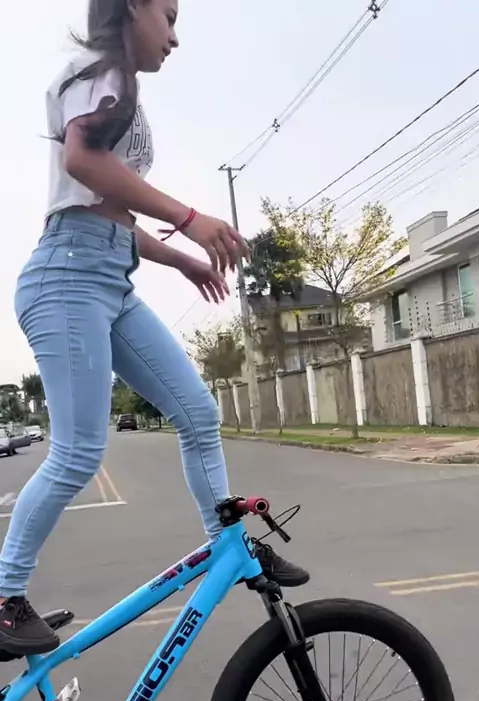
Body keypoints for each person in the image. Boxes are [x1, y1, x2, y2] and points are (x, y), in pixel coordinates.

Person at [0, 0, 309, 658]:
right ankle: (4, 596)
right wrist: (192, 219)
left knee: (198, 413)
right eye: (167, 17)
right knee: (78, 451)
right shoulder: (100, 70)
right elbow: (83, 162)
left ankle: (228, 544)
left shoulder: (124, 90)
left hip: (108, 278)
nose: (174, 36)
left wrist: (183, 260)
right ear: (131, 7)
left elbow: (111, 212)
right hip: (66, 278)